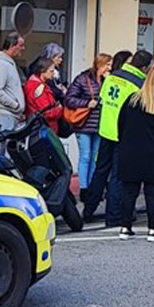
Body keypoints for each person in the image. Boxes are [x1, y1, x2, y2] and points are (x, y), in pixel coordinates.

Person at [83, 49, 151, 228]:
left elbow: (103, 100)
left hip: (105, 131)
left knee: (100, 171)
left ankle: (88, 210)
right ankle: (113, 217)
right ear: (144, 67)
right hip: (122, 134)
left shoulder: (113, 76)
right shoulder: (139, 83)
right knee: (117, 177)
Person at [117, 63, 154, 242]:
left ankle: (125, 227)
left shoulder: (132, 100)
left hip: (131, 151)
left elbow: (121, 125)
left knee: (128, 191)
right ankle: (152, 229)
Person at [65, 53, 112, 198]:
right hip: (84, 124)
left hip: (100, 124)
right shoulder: (83, 79)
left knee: (95, 157)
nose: (110, 68)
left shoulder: (108, 81)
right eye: (108, 65)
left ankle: (92, 186)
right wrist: (86, 103)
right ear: (100, 65)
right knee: (85, 156)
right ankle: (84, 188)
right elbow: (69, 99)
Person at [0, 32, 27, 133]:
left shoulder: (9, 63)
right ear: (11, 46)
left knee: (6, 147)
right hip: (3, 116)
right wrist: (15, 106)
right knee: (0, 148)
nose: (23, 48)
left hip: (9, 115)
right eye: (21, 45)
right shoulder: (1, 65)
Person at [24, 57, 63, 133]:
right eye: (51, 71)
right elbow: (47, 112)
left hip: (44, 128)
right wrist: (60, 109)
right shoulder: (37, 87)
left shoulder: (39, 85)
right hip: (44, 130)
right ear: (42, 71)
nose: (53, 73)